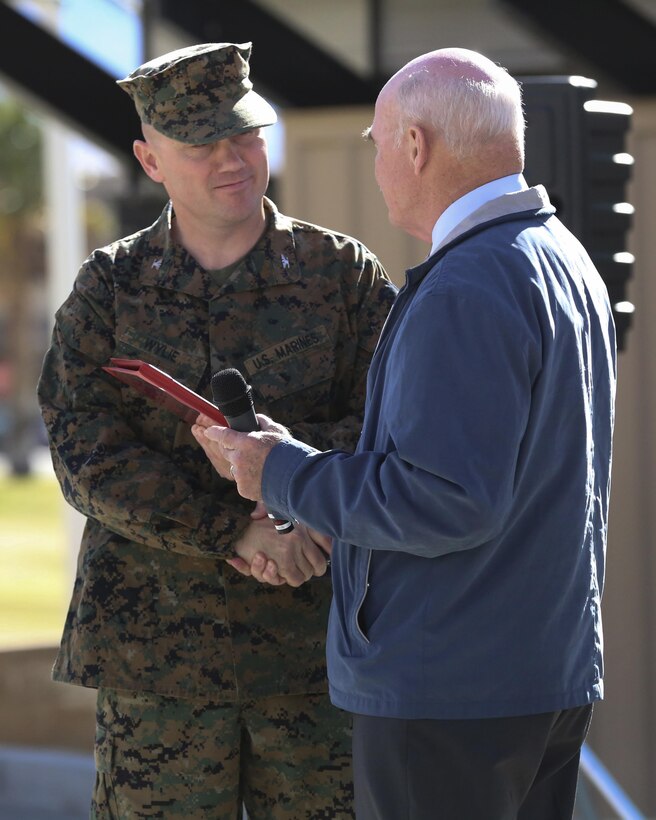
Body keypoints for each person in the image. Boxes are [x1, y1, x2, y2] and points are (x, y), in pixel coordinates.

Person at [194, 47, 617, 819]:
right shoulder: (561, 260)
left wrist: (280, 473)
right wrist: (305, 466)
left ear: (416, 145)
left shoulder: (469, 284)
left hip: (451, 693)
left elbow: (444, 498)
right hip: (534, 679)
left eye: (380, 141)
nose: (379, 159)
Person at [37, 41, 396, 819]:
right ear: (150, 159)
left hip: (315, 658)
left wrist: (305, 515)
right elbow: (83, 453)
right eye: (201, 144)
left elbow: (390, 428)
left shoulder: (341, 275)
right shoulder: (109, 289)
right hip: (157, 665)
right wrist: (232, 529)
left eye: (246, 134)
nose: (231, 159)